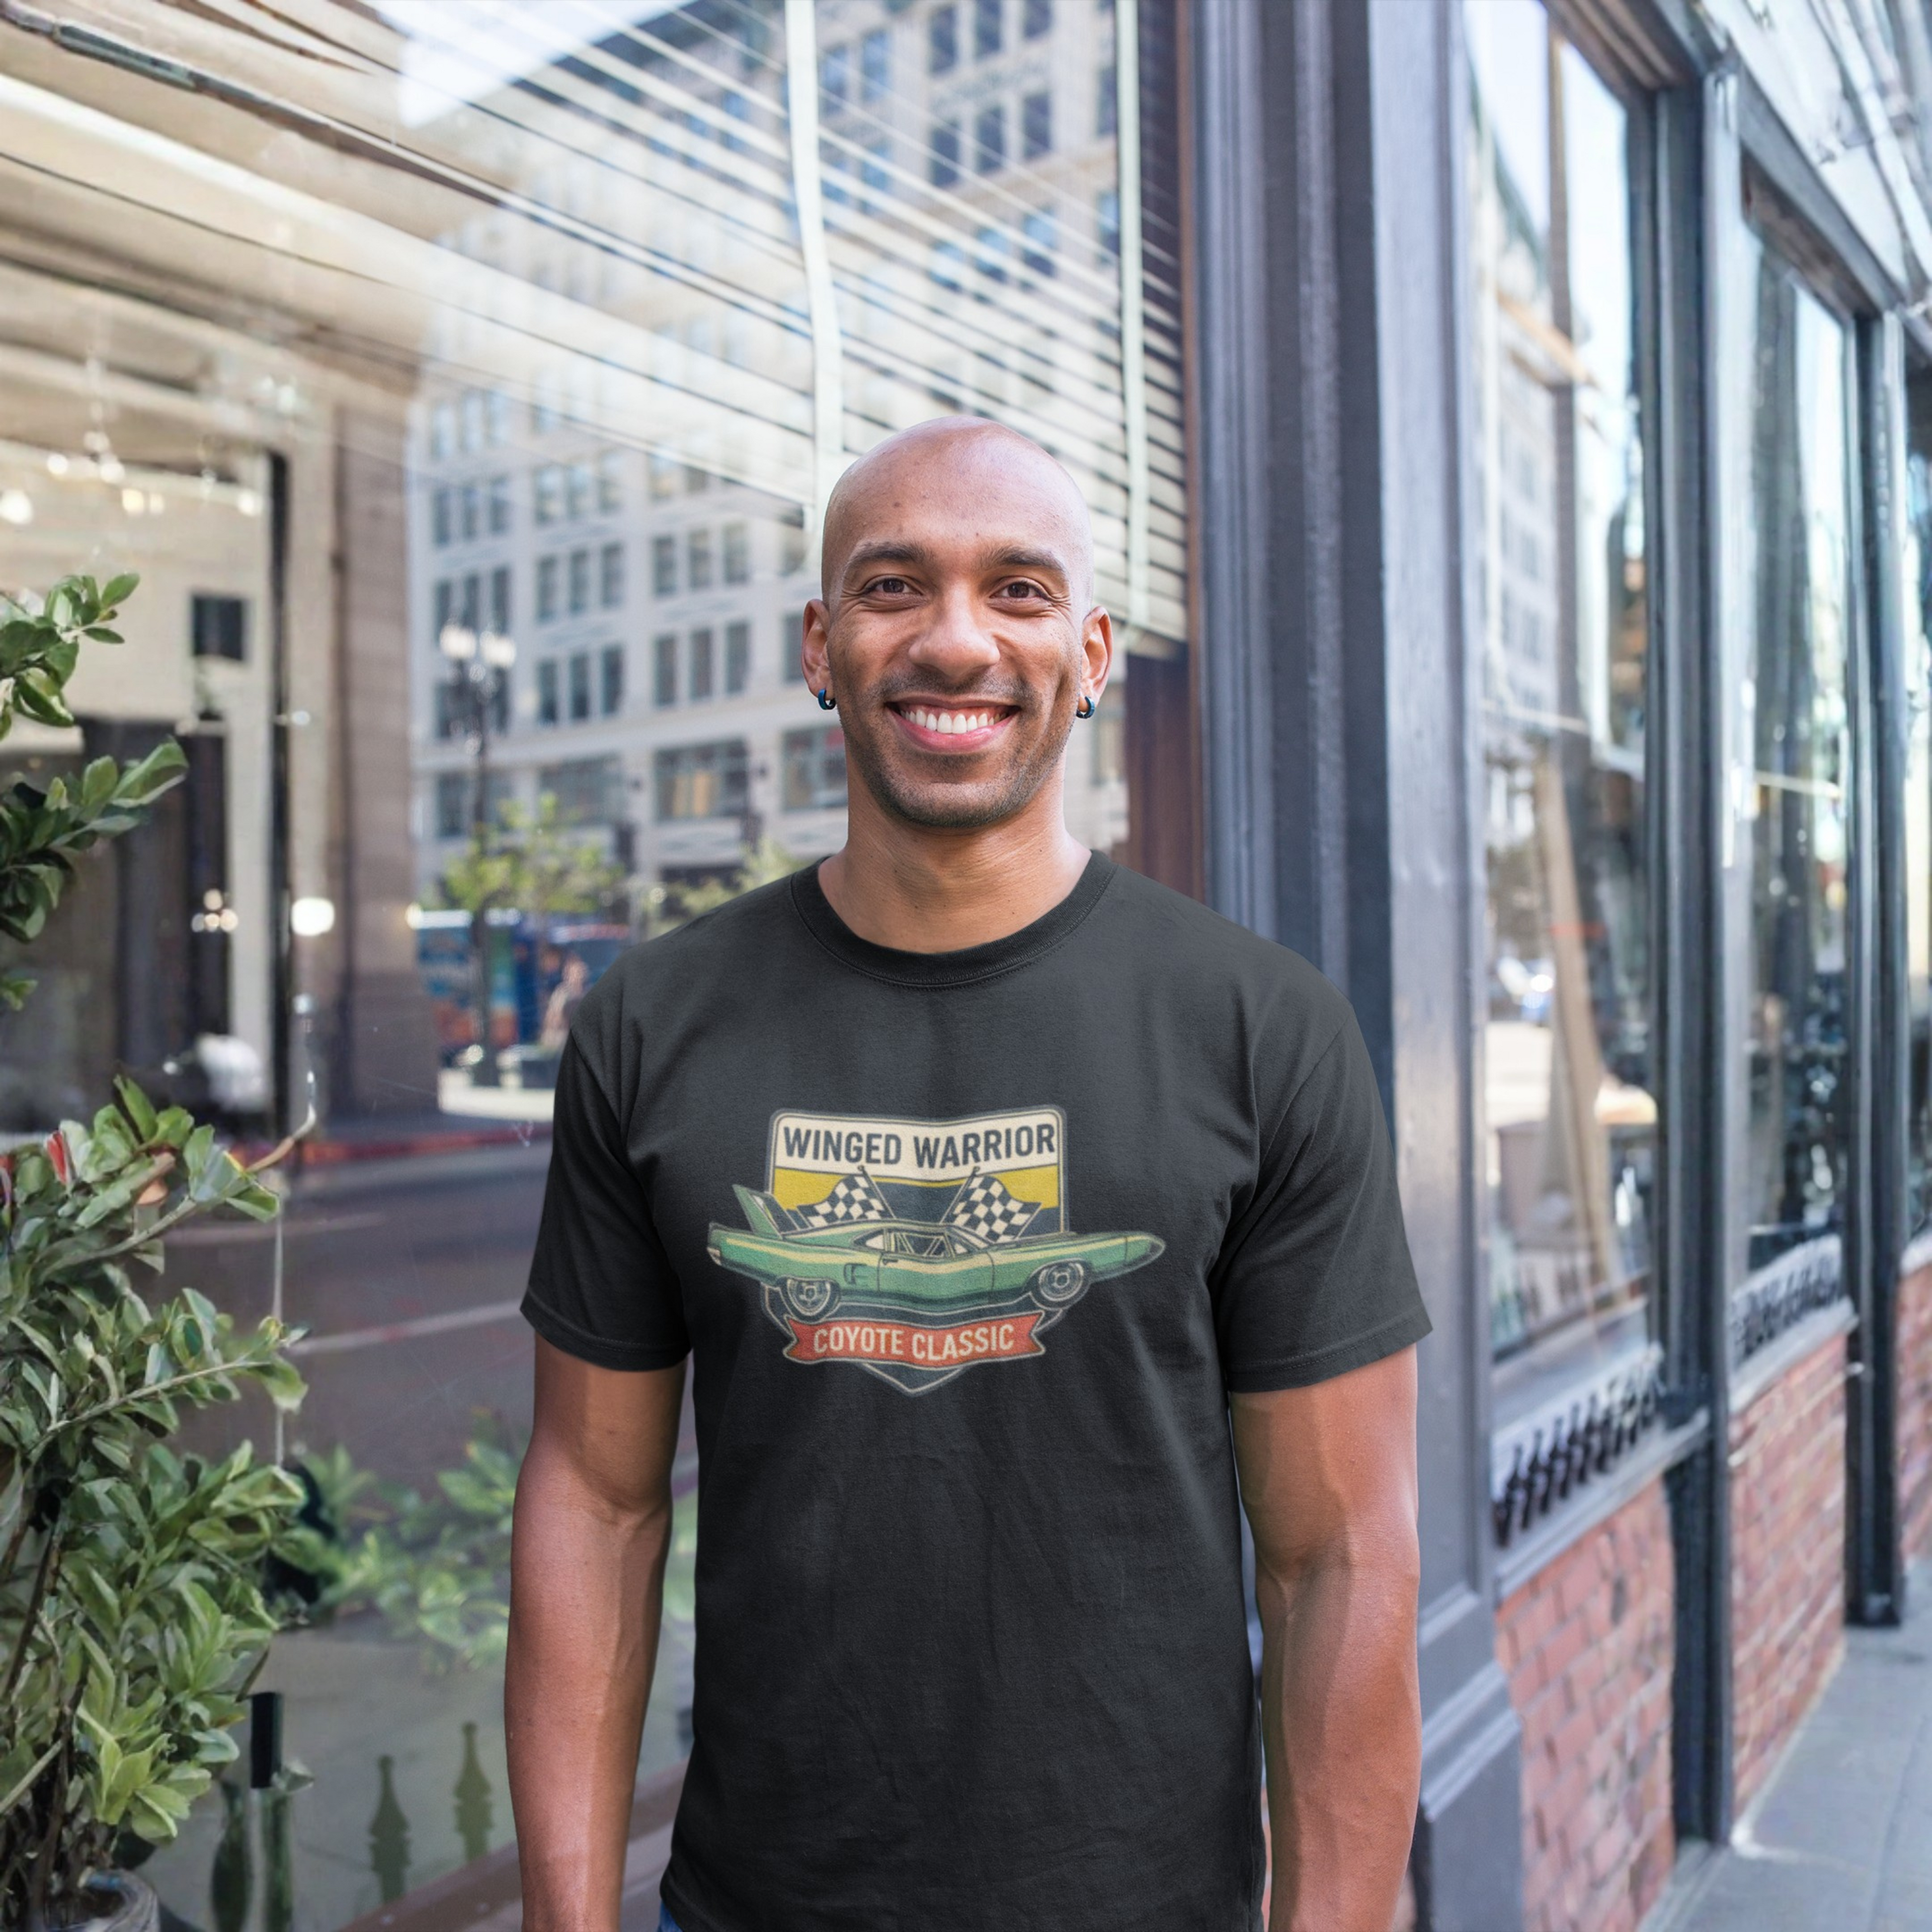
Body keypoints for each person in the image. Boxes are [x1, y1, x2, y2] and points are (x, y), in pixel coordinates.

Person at [507, 419, 1431, 1932]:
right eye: (893, 587)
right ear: (821, 643)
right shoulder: (649, 1026)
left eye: (1017, 590)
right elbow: (594, 1504)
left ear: (1091, 651)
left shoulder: (1261, 1030)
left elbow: (1339, 1554)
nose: (954, 641)